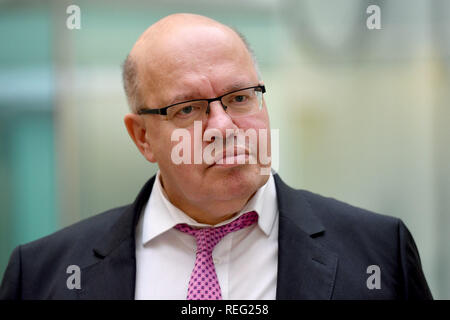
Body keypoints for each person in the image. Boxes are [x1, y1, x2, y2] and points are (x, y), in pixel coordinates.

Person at [0, 13, 432, 300]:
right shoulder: (41, 276)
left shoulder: (378, 252)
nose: (223, 127)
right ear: (142, 137)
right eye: (187, 108)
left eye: (240, 98)